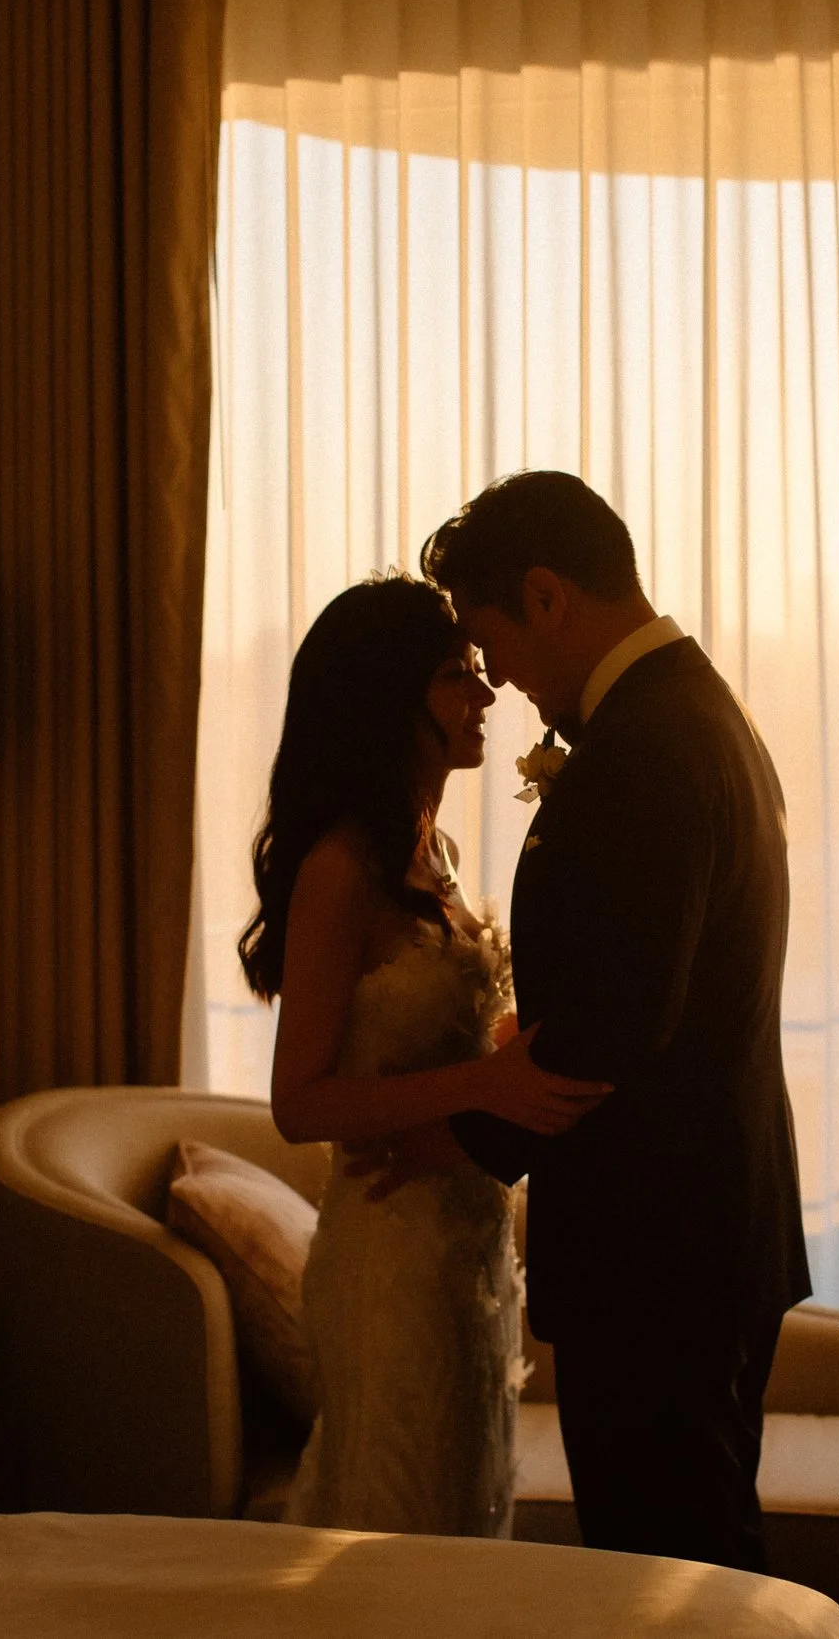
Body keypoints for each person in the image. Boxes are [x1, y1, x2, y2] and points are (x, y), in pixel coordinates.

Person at [363, 470, 812, 1571]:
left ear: (548, 596)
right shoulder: (694, 706)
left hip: (658, 1251)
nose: (501, 678)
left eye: (495, 639)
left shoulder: (644, 750)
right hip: (705, 1233)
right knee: (692, 1563)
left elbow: (612, 1030)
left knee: (671, 1579)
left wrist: (452, 1139)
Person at [238, 573, 608, 1538]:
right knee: (394, 1513)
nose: (487, 697)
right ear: (387, 699)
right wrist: (488, 1082)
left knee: (463, 1505)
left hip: (468, 1238)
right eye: (458, 677)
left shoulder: (432, 849)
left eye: (481, 674)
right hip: (390, 1245)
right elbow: (300, 1101)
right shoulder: (341, 868)